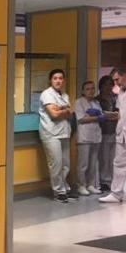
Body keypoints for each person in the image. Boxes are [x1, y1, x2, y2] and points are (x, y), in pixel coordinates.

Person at [39, 69, 74, 203]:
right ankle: (58, 191)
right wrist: (64, 110)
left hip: (64, 132)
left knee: (66, 164)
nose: (58, 81)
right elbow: (53, 115)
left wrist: (61, 110)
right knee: (56, 164)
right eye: (55, 78)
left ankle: (65, 188)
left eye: (60, 78)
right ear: (50, 80)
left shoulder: (64, 95)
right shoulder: (46, 94)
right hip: (51, 134)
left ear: (63, 80)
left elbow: (70, 113)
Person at [74, 80, 103, 196]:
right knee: (83, 163)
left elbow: (101, 116)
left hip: (96, 136)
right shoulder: (79, 102)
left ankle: (91, 185)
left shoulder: (97, 102)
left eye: (92, 88)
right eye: (87, 89)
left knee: (93, 162)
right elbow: (81, 119)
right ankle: (81, 185)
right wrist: (97, 117)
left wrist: (93, 116)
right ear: (83, 91)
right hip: (84, 137)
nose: (91, 91)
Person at [97, 75, 119, 191]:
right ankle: (104, 181)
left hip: (115, 131)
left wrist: (110, 116)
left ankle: (112, 181)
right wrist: (112, 115)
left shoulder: (116, 98)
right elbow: (101, 116)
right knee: (104, 158)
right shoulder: (97, 99)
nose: (108, 87)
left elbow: (120, 114)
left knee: (113, 158)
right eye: (105, 84)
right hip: (103, 132)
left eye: (110, 84)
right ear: (101, 86)